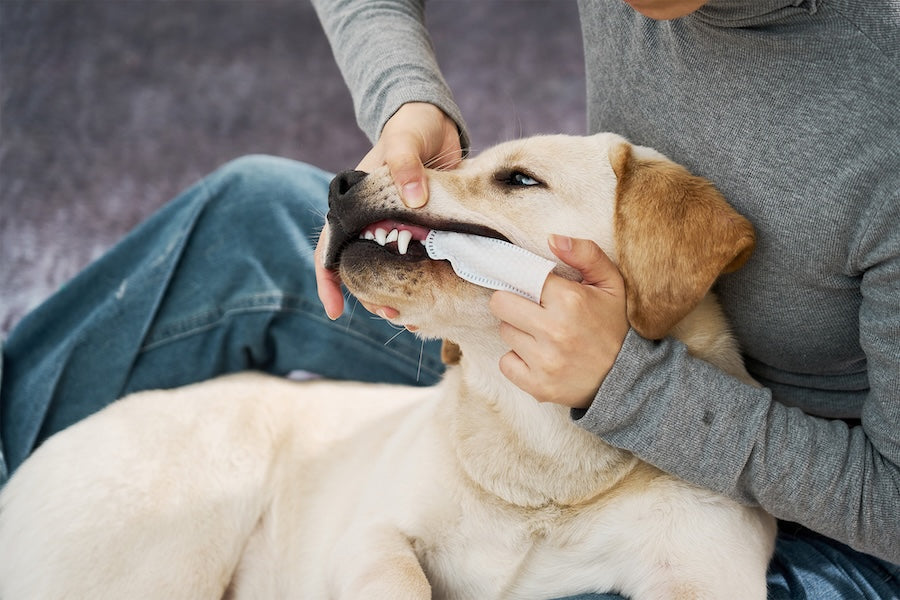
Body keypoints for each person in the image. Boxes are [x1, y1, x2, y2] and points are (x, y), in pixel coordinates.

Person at [0, 0, 897, 597]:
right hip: (551, 319)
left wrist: (628, 382)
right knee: (249, 216)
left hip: (808, 483)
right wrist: (403, 97)